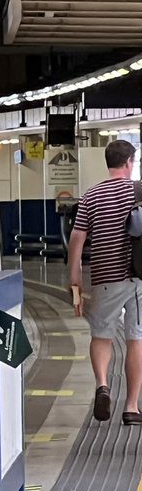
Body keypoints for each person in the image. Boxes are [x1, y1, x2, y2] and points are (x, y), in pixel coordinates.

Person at [67, 139, 142, 423]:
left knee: (101, 335)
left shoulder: (91, 195)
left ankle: (102, 384)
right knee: (136, 339)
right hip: (137, 277)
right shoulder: (140, 190)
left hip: (104, 276)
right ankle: (132, 407)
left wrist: (74, 277)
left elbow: (77, 237)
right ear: (129, 163)